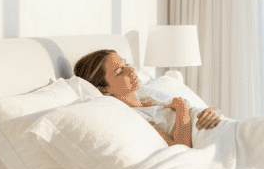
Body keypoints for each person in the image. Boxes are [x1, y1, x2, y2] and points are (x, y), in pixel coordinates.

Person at [73, 49, 222, 148]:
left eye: (127, 64)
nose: (131, 70)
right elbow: (181, 149)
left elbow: (198, 112)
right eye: (120, 71)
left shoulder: (148, 102)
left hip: (219, 131)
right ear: (104, 90)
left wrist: (214, 112)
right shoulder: (135, 118)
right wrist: (181, 107)